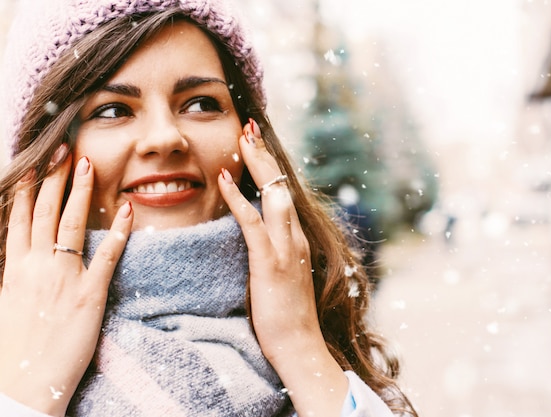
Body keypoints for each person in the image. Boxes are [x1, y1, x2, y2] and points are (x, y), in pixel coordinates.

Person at [0, 1, 418, 416]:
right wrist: (26, 393)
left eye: (201, 103)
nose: (165, 138)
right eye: (112, 110)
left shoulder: (314, 316)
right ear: (46, 150)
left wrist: (300, 346)